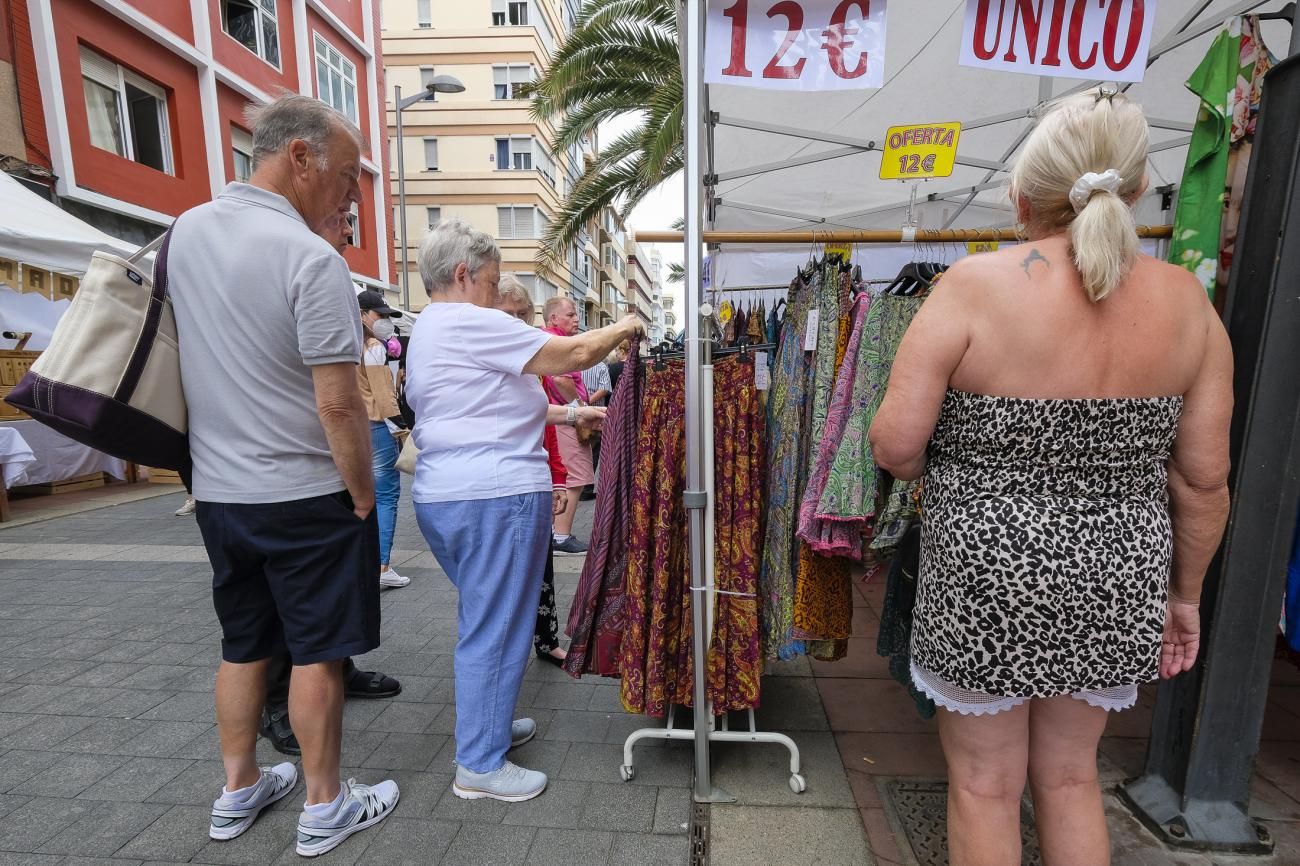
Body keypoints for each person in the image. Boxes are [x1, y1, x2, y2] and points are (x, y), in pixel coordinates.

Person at [868, 89, 1232, 866]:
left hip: (984, 569)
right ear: (1134, 191)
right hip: (1120, 569)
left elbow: (895, 446)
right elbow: (1203, 483)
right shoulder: (1188, 306)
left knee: (984, 786)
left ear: (1023, 195)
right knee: (1071, 779)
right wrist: (1186, 597)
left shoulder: (973, 287)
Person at [168, 94, 398, 857]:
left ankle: (237, 790)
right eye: (345, 177)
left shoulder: (187, 230)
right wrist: (364, 494)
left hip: (220, 493)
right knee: (317, 652)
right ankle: (326, 805)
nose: (351, 195)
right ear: (297, 157)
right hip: (304, 495)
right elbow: (339, 406)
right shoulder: (310, 258)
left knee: (242, 646)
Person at [406, 221, 639, 802]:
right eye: (489, 280)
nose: (495, 292)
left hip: (450, 492)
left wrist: (568, 418)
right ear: (462, 274)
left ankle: (486, 724)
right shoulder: (469, 319)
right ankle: (480, 765)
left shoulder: (431, 326)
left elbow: (481, 406)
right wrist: (627, 324)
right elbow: (577, 351)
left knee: (485, 617)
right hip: (493, 494)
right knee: (497, 626)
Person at [258, 215, 403, 760]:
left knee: (339, 583)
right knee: (278, 600)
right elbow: (333, 398)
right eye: (341, 214)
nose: (349, 225)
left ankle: (339, 667)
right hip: (288, 466)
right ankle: (277, 703)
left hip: (326, 461)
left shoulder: (329, 273)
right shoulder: (293, 265)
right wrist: (363, 487)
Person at [495, 277, 602, 666]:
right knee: (501, 577)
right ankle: (505, 648)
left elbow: (542, 421)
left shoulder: (530, 358)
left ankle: (546, 639)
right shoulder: (489, 356)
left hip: (531, 475)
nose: (516, 322)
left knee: (541, 566)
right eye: (507, 313)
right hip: (497, 482)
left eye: (522, 315)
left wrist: (556, 475)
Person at [356, 289, 411, 589]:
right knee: (387, 496)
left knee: (361, 496)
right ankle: (382, 566)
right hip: (377, 426)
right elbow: (382, 394)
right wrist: (402, 429)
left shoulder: (345, 342)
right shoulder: (374, 347)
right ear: (363, 314)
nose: (385, 322)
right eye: (380, 315)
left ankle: (364, 563)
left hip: (353, 427)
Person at [540, 296, 595, 554]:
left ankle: (556, 532)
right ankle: (560, 536)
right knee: (576, 476)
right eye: (571, 315)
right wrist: (579, 406)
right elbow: (560, 379)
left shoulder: (551, 340)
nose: (576, 319)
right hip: (564, 418)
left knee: (571, 475)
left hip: (558, 415)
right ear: (553, 318)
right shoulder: (557, 342)